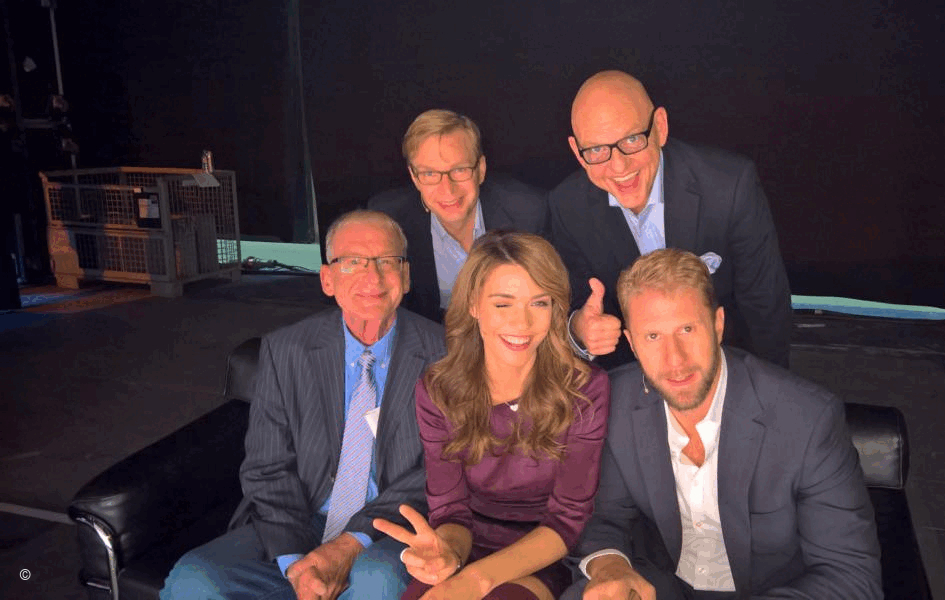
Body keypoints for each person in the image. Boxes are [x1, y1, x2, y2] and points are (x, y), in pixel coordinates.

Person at [563, 248, 881, 600]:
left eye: (687, 329)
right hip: (662, 584)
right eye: (653, 336)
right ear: (632, 344)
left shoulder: (808, 419)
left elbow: (850, 577)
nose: (675, 360)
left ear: (718, 325)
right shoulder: (614, 401)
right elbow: (604, 518)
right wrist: (611, 566)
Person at [161, 210, 446, 600]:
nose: (373, 278)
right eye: (353, 263)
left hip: (388, 527)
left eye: (387, 262)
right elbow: (267, 465)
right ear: (327, 279)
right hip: (297, 519)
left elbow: (441, 467)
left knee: (378, 583)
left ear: (407, 276)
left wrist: (350, 543)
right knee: (193, 580)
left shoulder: (446, 354)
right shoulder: (286, 350)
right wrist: (295, 563)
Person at [373, 231, 611, 600]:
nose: (522, 322)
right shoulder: (438, 388)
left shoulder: (585, 389)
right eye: (503, 304)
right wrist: (447, 556)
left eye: (539, 303)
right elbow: (451, 510)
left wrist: (476, 581)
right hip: (467, 545)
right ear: (473, 305)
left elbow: (566, 521)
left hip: (544, 554)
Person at [549, 70, 793, 370]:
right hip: (632, 378)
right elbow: (577, 305)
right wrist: (579, 328)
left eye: (632, 139)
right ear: (577, 152)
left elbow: (766, 311)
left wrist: (761, 394)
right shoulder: (567, 206)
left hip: (724, 368)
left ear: (660, 127)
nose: (619, 166)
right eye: (597, 149)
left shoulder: (729, 187)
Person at [369, 109, 549, 323]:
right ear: (414, 177)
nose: (448, 189)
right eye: (430, 173)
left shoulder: (527, 212)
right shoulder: (389, 220)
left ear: (481, 169)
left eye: (460, 170)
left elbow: (547, 299)